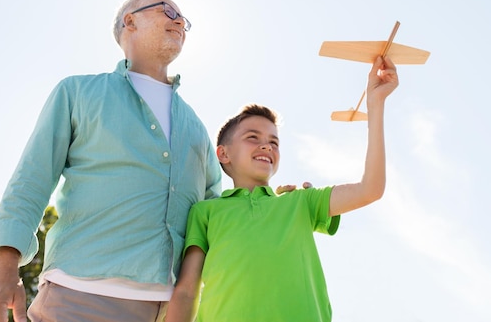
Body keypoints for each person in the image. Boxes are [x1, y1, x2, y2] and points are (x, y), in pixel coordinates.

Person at [0, 0, 224, 322]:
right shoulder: (77, 93)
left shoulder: (197, 128)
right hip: (79, 298)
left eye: (184, 20)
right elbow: (31, 180)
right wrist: (3, 270)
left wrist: (277, 201)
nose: (179, 23)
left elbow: (214, 214)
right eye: (167, 12)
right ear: (130, 21)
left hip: (170, 311)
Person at [165, 55, 399, 322]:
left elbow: (371, 189)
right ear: (223, 154)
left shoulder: (301, 201)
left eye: (274, 142)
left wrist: (375, 104)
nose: (267, 146)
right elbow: (185, 292)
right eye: (252, 137)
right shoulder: (205, 212)